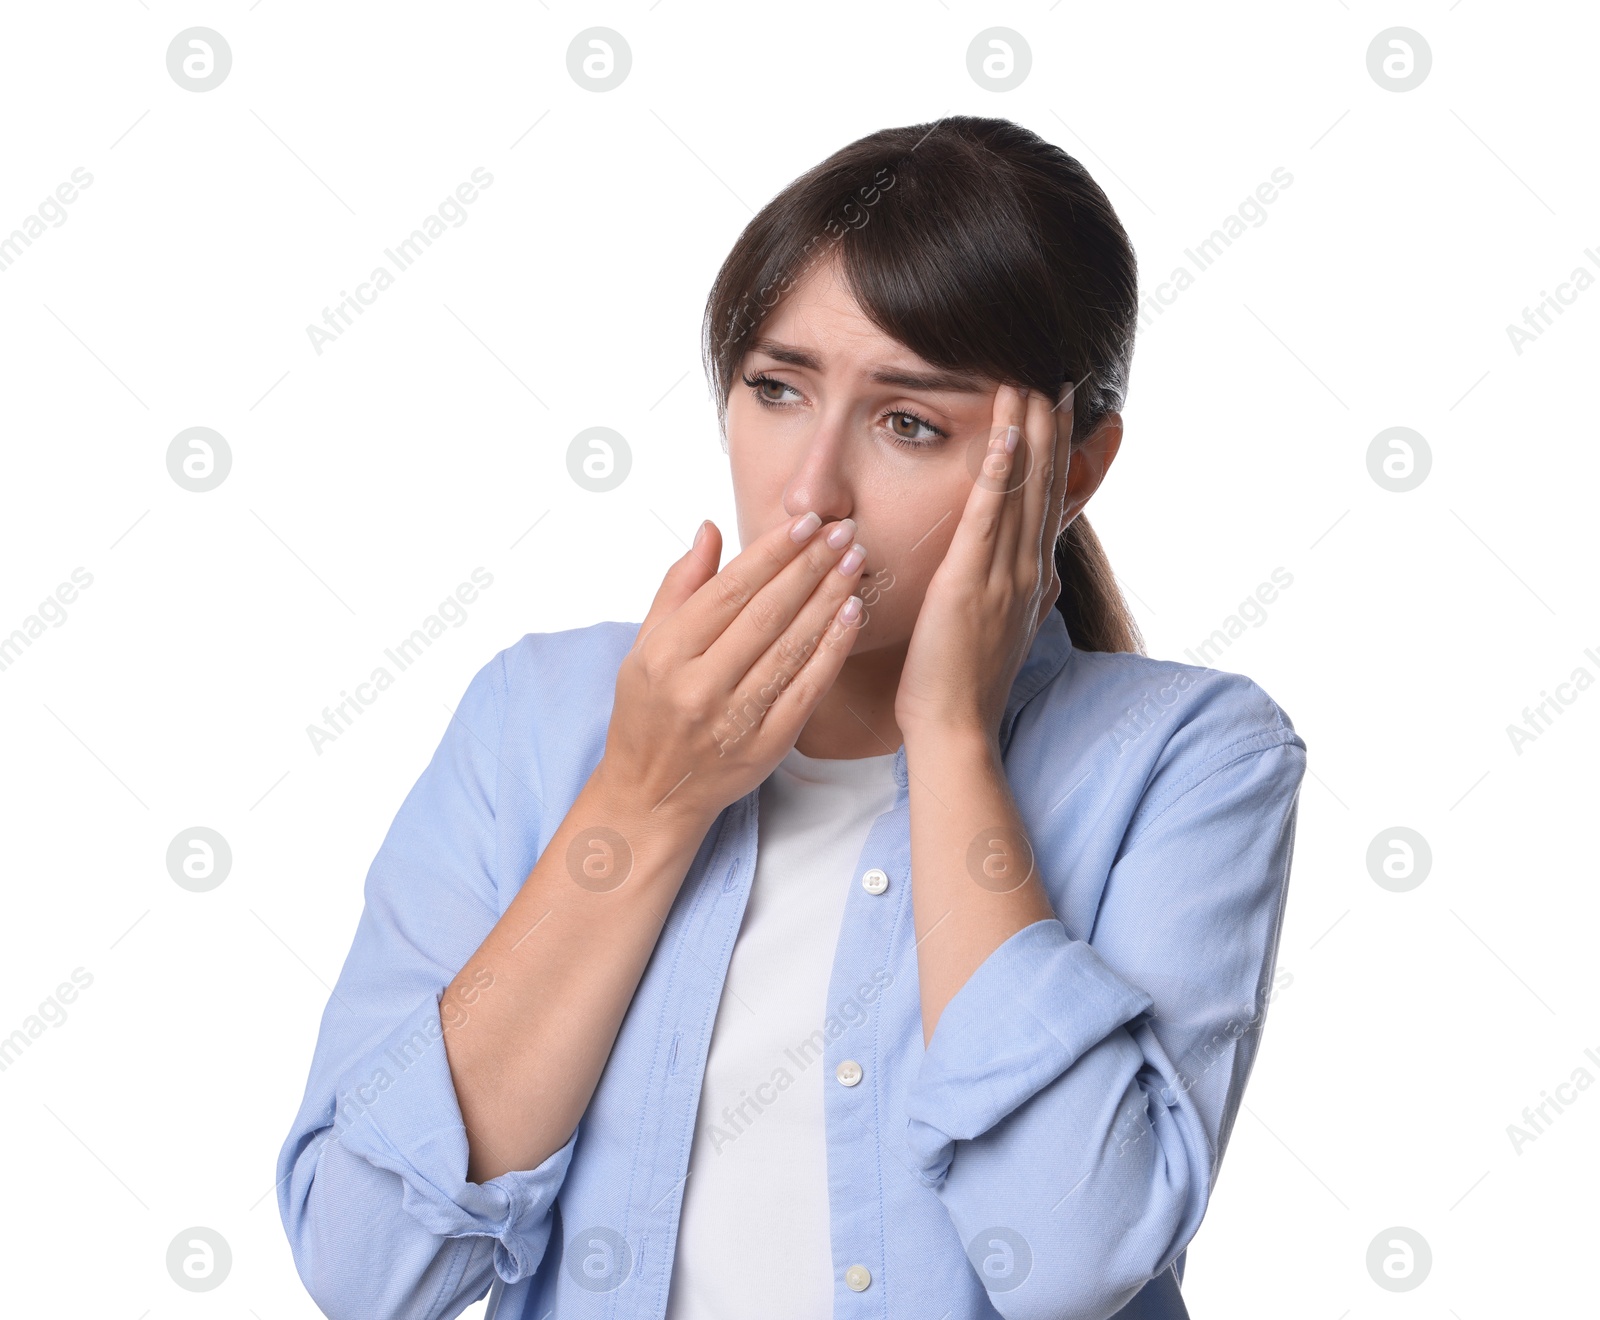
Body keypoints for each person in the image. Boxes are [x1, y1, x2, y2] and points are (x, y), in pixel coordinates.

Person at [276, 114, 1307, 1320]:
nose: (809, 490)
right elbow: (367, 1270)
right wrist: (645, 799)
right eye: (775, 389)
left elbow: (1071, 1260)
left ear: (1069, 470)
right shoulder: (536, 717)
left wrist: (955, 741)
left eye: (908, 421)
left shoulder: (1186, 758)